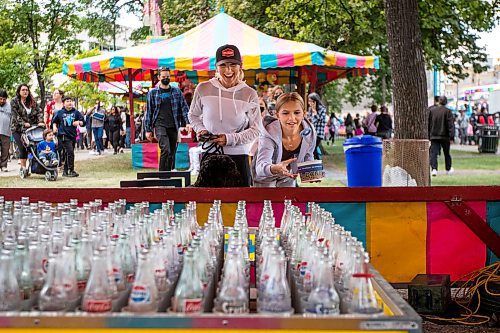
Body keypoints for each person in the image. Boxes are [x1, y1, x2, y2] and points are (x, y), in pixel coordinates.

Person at [188, 44, 260, 186]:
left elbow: (256, 129)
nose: (228, 70)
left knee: (240, 204)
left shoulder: (250, 93)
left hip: (239, 156)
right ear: (216, 67)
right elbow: (193, 116)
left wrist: (230, 139)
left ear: (240, 66)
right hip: (210, 154)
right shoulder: (203, 88)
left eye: (233, 64)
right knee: (207, 203)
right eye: (223, 65)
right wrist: (201, 130)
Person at [253, 92, 316, 187]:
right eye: (285, 113)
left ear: (304, 113)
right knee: (266, 201)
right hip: (265, 175)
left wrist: (311, 172)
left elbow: (308, 155)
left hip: (288, 175)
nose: (291, 118)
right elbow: (260, 167)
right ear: (277, 115)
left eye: (297, 112)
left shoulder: (309, 132)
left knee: (287, 201)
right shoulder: (269, 132)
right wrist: (275, 168)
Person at [145, 67, 190, 171]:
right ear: (159, 77)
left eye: (168, 77)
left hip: (173, 125)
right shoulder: (153, 93)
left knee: (172, 151)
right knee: (165, 149)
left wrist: (188, 122)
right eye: (164, 77)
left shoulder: (177, 91)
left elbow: (184, 107)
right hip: (160, 125)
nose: (166, 78)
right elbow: (149, 112)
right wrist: (148, 130)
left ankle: (170, 174)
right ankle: (162, 177)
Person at [11, 84, 44, 173]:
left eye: (27, 90)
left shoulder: (32, 101)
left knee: (33, 146)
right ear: (19, 91)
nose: (25, 91)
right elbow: (15, 115)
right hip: (17, 129)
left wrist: (40, 121)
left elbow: (39, 112)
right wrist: (23, 123)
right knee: (22, 147)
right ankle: (23, 168)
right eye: (23, 90)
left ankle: (36, 166)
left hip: (31, 128)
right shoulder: (14, 101)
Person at [51, 96, 85, 177]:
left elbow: (83, 122)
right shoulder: (60, 112)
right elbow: (54, 122)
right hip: (63, 135)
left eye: (71, 101)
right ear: (64, 103)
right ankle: (71, 170)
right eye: (67, 101)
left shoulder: (76, 112)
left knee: (67, 153)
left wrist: (79, 122)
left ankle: (65, 171)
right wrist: (54, 127)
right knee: (70, 152)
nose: (69, 102)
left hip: (72, 136)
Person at [428, 96, 454, 177]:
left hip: (434, 135)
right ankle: (448, 168)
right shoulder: (448, 111)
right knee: (447, 153)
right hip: (445, 136)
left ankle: (434, 169)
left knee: (434, 153)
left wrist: (429, 134)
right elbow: (450, 125)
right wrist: (451, 136)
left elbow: (428, 123)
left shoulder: (432, 111)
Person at [307, 92, 327, 160]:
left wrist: (315, 111)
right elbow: (310, 121)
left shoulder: (322, 109)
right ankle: (316, 165)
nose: (309, 103)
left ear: (315, 101)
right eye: (308, 101)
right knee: (311, 149)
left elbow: (321, 120)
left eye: (310, 101)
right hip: (312, 133)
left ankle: (318, 165)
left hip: (318, 133)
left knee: (313, 149)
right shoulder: (310, 109)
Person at [0, 90, 12, 172]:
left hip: (6, 131)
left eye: (4, 99)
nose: (2, 101)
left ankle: (3, 165)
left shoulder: (10, 106)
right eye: (0, 99)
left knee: (5, 150)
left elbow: (12, 118)